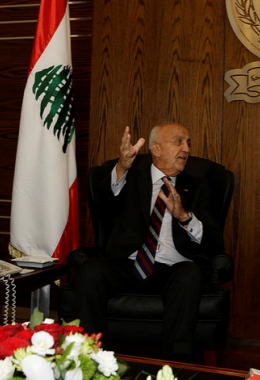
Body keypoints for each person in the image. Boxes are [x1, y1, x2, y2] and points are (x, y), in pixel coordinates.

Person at [72, 123, 223, 361]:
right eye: (179, 141)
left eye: (188, 143)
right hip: (127, 264)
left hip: (172, 270)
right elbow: (104, 203)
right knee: (91, 270)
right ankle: (87, 357)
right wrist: (122, 166)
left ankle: (175, 363)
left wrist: (184, 217)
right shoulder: (131, 177)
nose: (186, 148)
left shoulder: (196, 186)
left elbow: (214, 241)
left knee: (190, 273)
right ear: (156, 149)